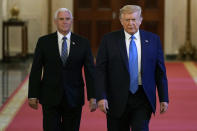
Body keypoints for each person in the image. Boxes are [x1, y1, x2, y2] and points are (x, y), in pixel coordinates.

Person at [95, 5, 169, 131]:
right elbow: (100, 71)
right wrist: (101, 96)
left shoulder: (153, 40)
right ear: (121, 21)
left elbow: (160, 72)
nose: (131, 23)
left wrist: (164, 98)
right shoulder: (109, 40)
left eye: (134, 19)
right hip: (116, 98)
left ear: (140, 20)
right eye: (127, 20)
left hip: (143, 97)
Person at [28, 8, 97, 131]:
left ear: (72, 21)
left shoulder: (83, 43)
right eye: (61, 19)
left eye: (67, 19)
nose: (64, 22)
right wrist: (33, 94)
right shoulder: (44, 42)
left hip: (74, 97)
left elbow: (90, 71)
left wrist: (93, 96)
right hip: (50, 96)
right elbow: (36, 69)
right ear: (56, 21)